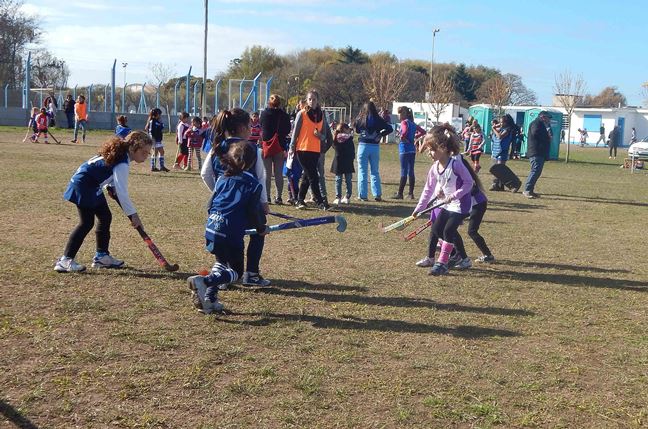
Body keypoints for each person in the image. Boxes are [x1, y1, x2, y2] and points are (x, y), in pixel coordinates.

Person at [54, 131, 153, 272]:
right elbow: (122, 192)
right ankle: (65, 260)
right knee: (86, 223)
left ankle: (102, 257)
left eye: (147, 153)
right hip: (85, 186)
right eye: (143, 152)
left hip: (91, 184)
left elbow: (106, 173)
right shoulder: (122, 161)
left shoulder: (120, 154)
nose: (145, 156)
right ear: (132, 148)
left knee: (105, 216)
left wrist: (110, 187)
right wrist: (134, 215)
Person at [188, 141, 267, 314]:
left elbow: (211, 205)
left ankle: (209, 299)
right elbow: (254, 211)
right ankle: (205, 282)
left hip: (212, 227)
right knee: (236, 272)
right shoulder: (253, 184)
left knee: (221, 262)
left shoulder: (223, 178)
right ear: (251, 162)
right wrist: (261, 227)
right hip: (230, 233)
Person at [201, 108, 271, 286]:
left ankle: (222, 270)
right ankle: (252, 274)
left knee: (225, 232)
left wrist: (220, 194)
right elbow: (261, 178)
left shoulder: (217, 146)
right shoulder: (251, 149)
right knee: (258, 231)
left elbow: (205, 174)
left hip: (221, 207)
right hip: (248, 206)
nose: (251, 129)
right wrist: (263, 202)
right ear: (241, 127)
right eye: (249, 126)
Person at [412, 124, 474, 276]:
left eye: (432, 149)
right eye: (428, 149)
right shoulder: (434, 168)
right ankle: (454, 257)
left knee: (448, 230)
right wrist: (420, 207)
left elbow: (469, 183)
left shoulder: (456, 164)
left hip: (460, 205)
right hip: (447, 204)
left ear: (444, 148)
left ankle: (442, 263)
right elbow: (428, 189)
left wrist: (454, 195)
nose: (430, 153)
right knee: (437, 229)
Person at [288, 89, 334, 210]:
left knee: (307, 177)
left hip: (315, 150)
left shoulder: (321, 115)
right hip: (302, 149)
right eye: (309, 99)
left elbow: (324, 136)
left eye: (314, 99)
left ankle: (300, 200)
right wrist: (291, 147)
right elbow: (295, 133)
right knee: (314, 176)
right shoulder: (301, 114)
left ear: (318, 101)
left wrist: (319, 135)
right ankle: (320, 202)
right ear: (306, 100)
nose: (312, 101)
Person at [450, 157, 494, 265]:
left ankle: (488, 255)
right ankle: (455, 252)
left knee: (472, 231)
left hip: (478, 204)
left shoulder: (467, 178)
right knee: (451, 226)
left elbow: (471, 192)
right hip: (471, 205)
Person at [354, 101, 393, 201]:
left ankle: (362, 195)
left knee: (362, 171)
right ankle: (377, 194)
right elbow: (389, 128)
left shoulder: (360, 119)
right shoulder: (378, 119)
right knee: (374, 171)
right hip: (374, 147)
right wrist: (380, 134)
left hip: (362, 146)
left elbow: (357, 130)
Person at [260, 94, 291, 204]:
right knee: (278, 173)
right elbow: (288, 130)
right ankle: (279, 197)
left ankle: (267, 197)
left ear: (269, 102)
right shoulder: (284, 115)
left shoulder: (264, 114)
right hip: (280, 146)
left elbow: (261, 127)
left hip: (267, 147)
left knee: (267, 174)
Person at [393, 106, 425, 199]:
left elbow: (405, 131)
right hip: (412, 149)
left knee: (403, 171)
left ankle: (400, 193)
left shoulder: (404, 122)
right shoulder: (412, 123)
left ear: (404, 114)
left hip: (404, 149)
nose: (399, 115)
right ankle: (411, 193)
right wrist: (415, 137)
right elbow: (423, 131)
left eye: (400, 113)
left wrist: (402, 136)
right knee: (411, 171)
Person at [523, 111, 552, 199]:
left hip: (540, 152)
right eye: (548, 118)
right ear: (543, 117)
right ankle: (527, 190)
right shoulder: (536, 123)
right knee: (535, 170)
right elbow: (535, 133)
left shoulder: (542, 125)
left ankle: (530, 190)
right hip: (536, 151)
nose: (549, 120)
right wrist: (546, 137)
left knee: (537, 171)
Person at [330, 122, 355, 204]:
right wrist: (352, 158)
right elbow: (352, 151)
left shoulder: (335, 138)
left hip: (338, 160)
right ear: (345, 129)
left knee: (338, 180)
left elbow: (334, 147)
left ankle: (338, 197)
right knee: (348, 180)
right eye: (348, 129)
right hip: (348, 161)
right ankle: (347, 196)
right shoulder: (349, 139)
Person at [489, 114, 513, 191]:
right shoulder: (502, 128)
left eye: (502, 122)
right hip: (497, 151)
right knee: (497, 169)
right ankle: (499, 186)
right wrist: (497, 125)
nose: (501, 124)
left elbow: (500, 136)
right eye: (500, 122)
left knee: (500, 169)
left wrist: (494, 129)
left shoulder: (508, 129)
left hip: (503, 151)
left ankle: (496, 184)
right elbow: (497, 130)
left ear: (506, 122)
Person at [146, 108, 168, 172]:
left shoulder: (157, 121)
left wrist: (161, 123)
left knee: (159, 152)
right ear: (156, 114)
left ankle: (159, 167)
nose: (160, 116)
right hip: (154, 139)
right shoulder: (152, 121)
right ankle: (155, 167)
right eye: (159, 114)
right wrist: (153, 138)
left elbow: (161, 127)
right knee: (158, 152)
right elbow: (151, 131)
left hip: (158, 139)